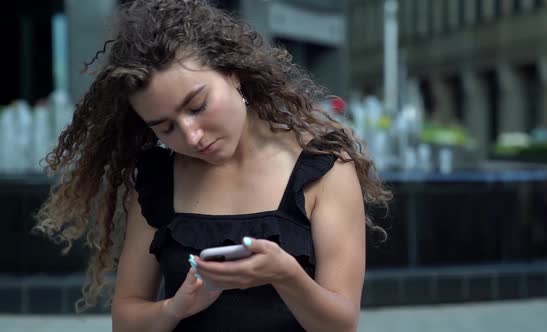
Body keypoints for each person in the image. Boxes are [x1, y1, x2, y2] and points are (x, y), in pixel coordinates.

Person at [34, 0, 391, 331]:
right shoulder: (159, 178)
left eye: (197, 105)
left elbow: (342, 324)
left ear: (233, 73)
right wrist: (175, 307)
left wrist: (286, 276)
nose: (191, 136)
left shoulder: (323, 167)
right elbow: (125, 318)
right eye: (165, 126)